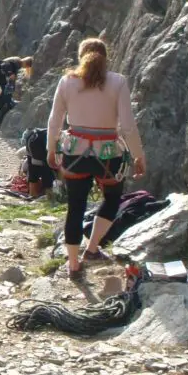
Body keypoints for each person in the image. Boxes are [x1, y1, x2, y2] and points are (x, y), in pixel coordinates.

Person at [47, 38, 146, 280]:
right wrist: (138, 156)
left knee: (76, 205)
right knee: (112, 200)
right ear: (106, 57)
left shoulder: (67, 81)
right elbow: (128, 126)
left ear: (81, 56)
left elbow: (55, 120)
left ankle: (73, 264)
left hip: (75, 154)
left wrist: (51, 149)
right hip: (108, 155)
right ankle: (91, 250)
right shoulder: (118, 82)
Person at [0, 56, 33, 126]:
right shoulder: (13, 65)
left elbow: (6, 80)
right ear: (26, 65)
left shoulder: (16, 61)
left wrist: (6, 91)